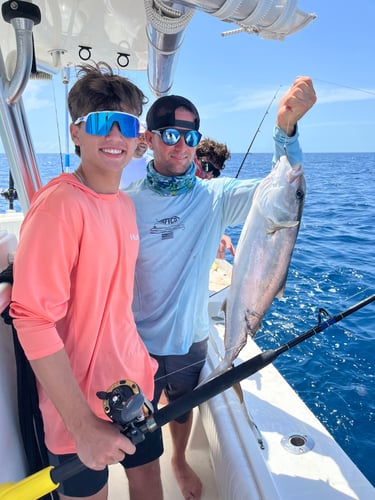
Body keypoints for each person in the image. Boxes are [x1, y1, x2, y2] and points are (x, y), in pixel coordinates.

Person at [124, 75, 316, 499]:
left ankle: (178, 459)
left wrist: (286, 130)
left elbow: (284, 188)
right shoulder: (126, 199)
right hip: (132, 343)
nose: (181, 145)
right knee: (137, 428)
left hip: (190, 342)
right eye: (170, 134)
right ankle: (153, 468)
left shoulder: (215, 197)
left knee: (180, 409)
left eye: (190, 136)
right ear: (150, 139)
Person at [10, 62, 160, 500]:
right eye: (99, 122)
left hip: (134, 388)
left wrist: (145, 368)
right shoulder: (59, 205)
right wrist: (82, 424)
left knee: (149, 484)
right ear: (76, 133)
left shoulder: (124, 206)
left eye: (126, 124)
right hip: (77, 409)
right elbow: (32, 320)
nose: (114, 135)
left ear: (138, 139)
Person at [195, 137, 236, 259]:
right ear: (194, 158)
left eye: (215, 173)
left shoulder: (205, 193)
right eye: (207, 167)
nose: (209, 175)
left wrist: (217, 235)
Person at [120, 122, 153, 188]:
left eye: (147, 139)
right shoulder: (117, 162)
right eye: (141, 137)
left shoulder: (153, 165)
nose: (144, 142)